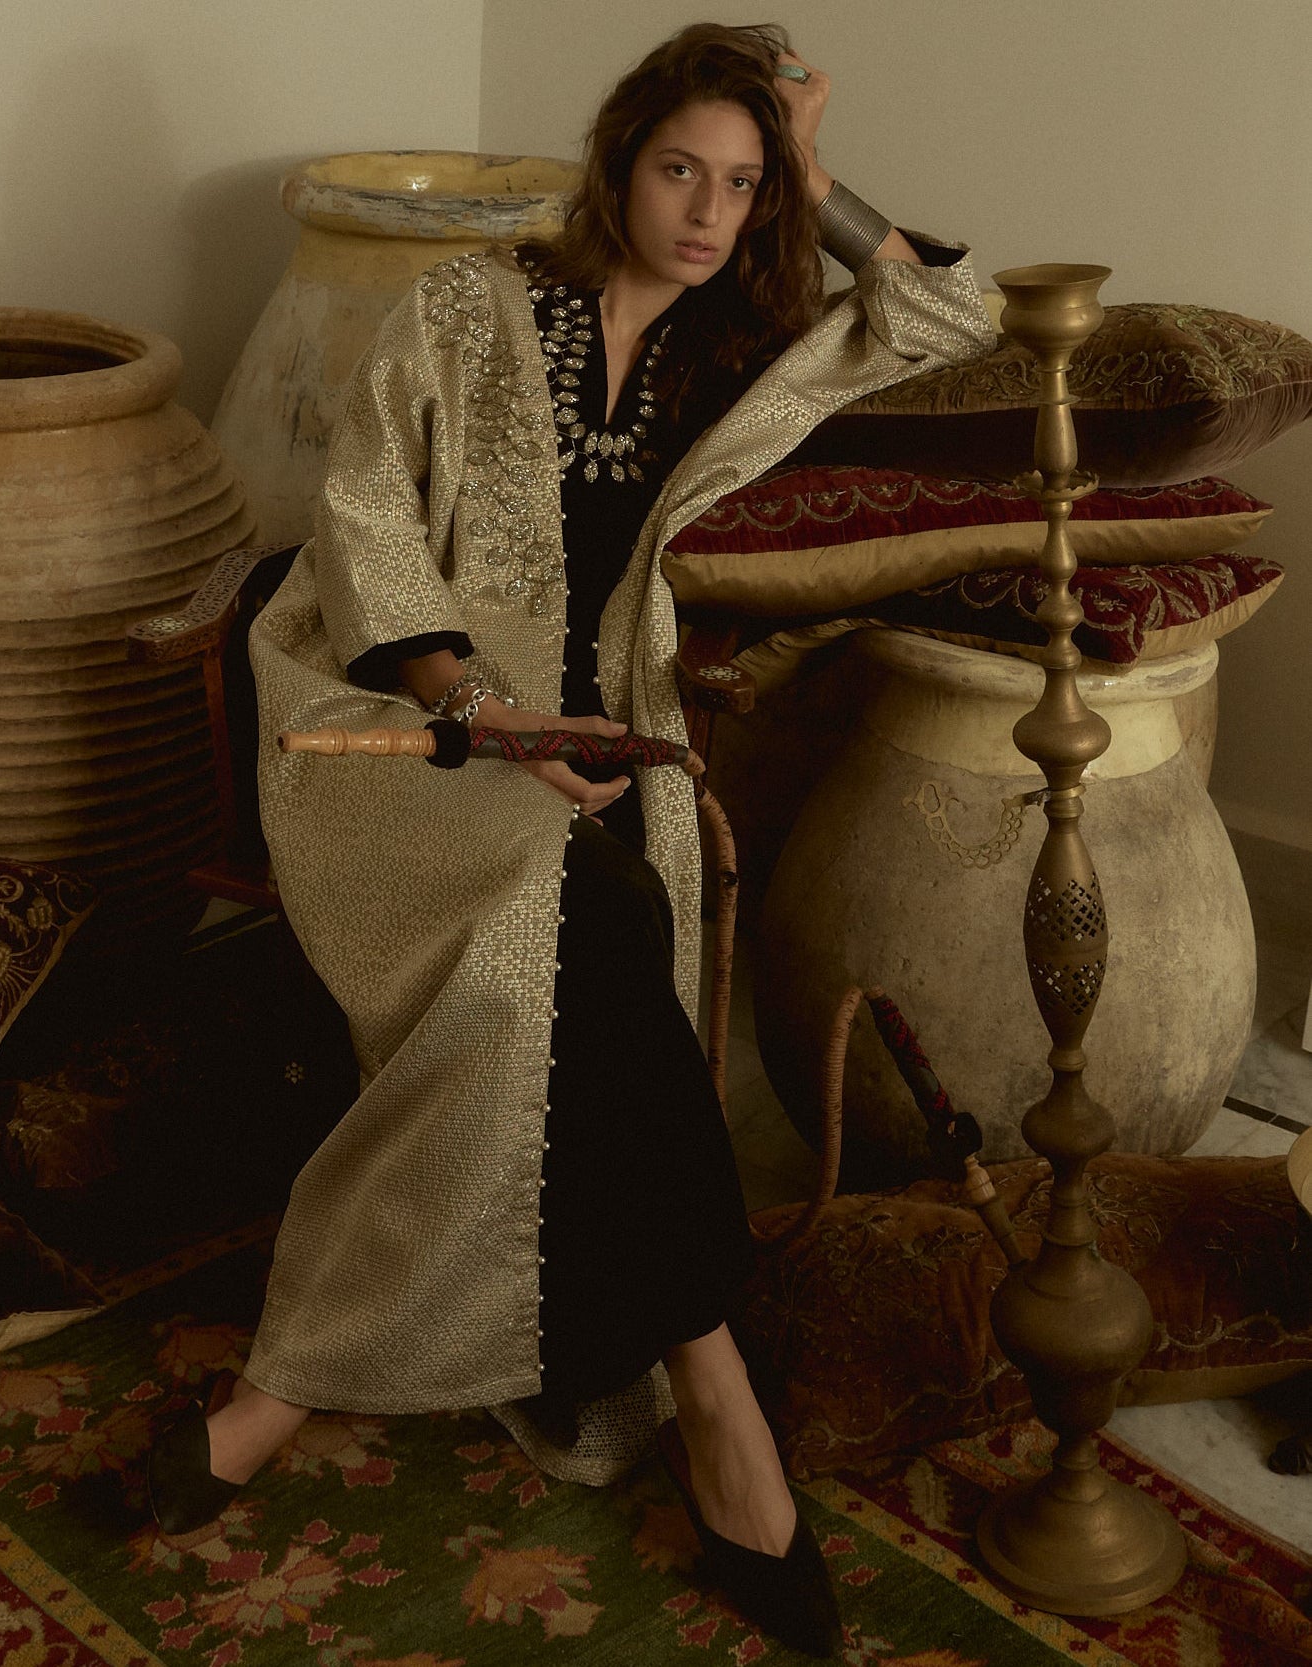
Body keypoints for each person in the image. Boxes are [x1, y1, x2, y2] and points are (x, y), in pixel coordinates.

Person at [149, 22, 997, 1657]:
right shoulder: (468, 307)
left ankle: (285, 1386)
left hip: (609, 748)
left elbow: (949, 315)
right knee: (589, 919)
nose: (710, 212)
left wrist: (820, 174)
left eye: (743, 184)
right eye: (683, 169)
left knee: (595, 912)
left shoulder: (748, 345)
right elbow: (363, 516)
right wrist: (480, 708)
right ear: (618, 161)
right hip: (394, 722)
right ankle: (718, 1403)